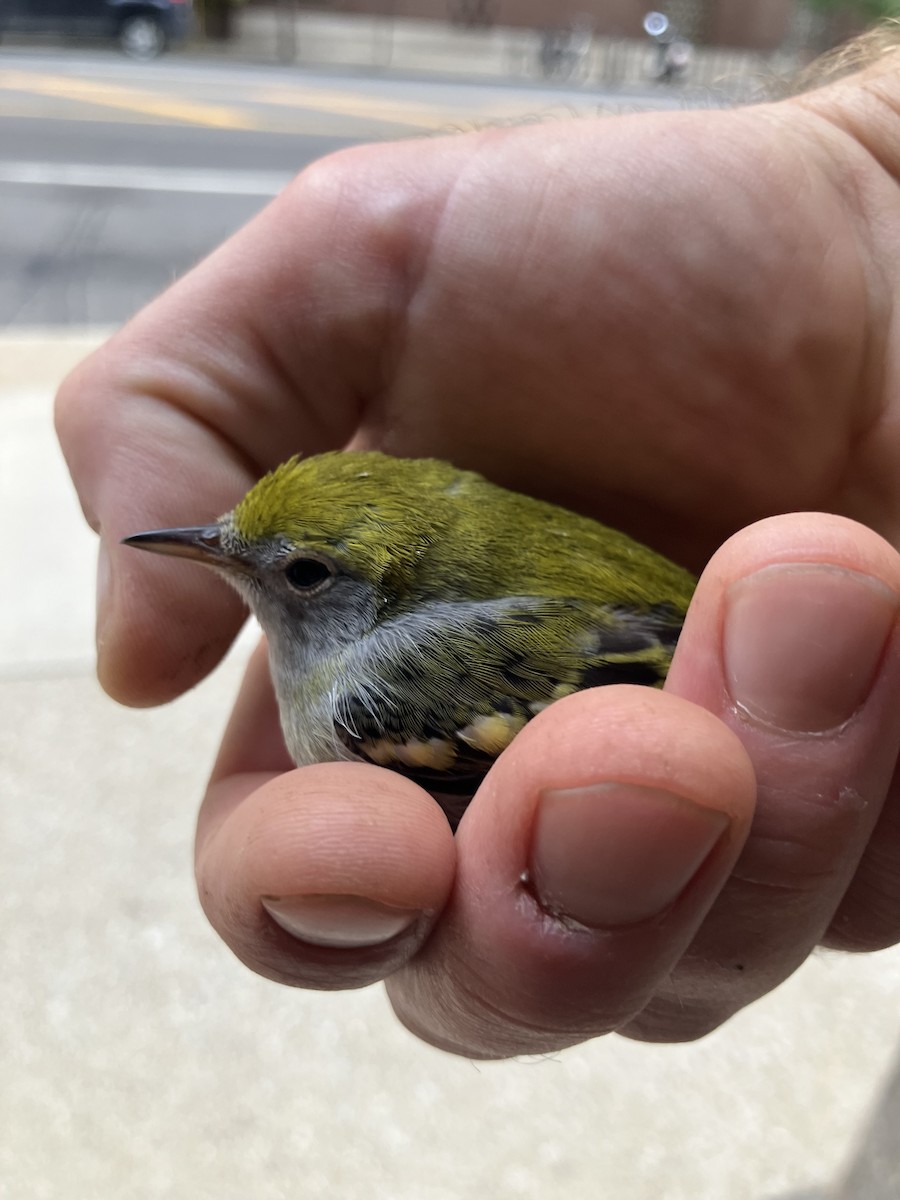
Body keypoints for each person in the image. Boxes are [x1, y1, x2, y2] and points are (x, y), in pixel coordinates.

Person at [56, 36, 900, 1060]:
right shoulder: (466, 503)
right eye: (245, 542)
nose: (221, 555)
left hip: (722, 669)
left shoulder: (375, 695)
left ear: (379, 586)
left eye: (303, 572)